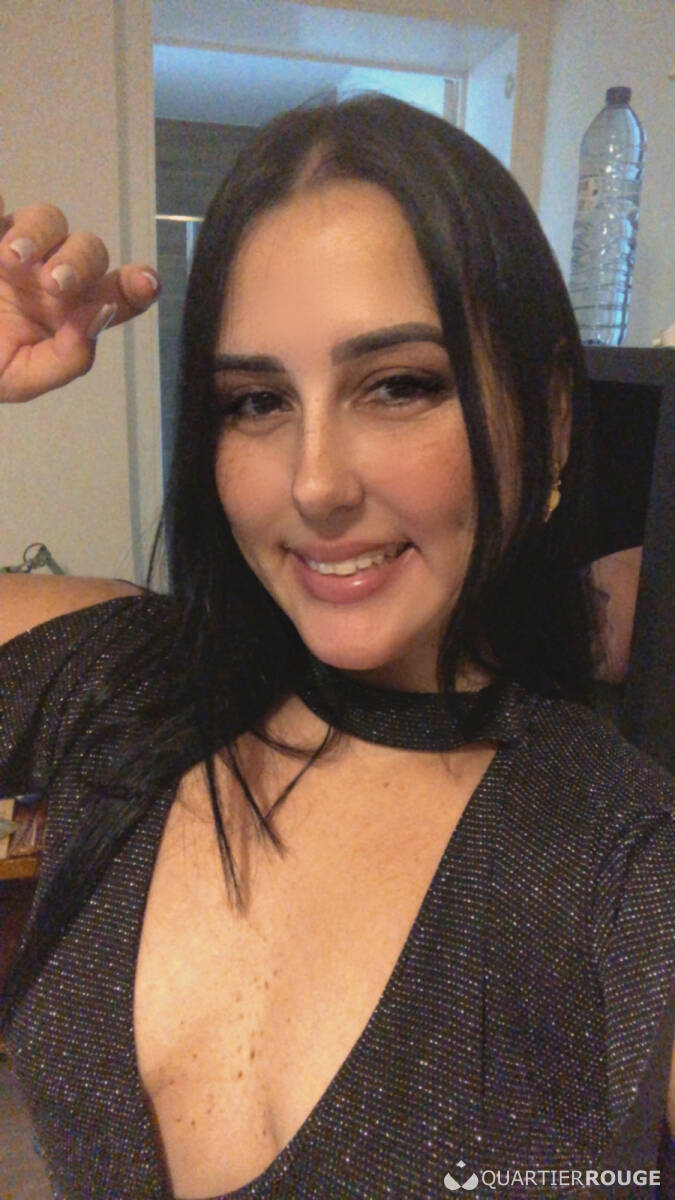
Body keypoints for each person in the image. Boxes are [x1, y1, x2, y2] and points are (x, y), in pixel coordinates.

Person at [0, 94, 673, 1200]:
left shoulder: (623, 860)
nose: (315, 484)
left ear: (549, 414)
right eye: (256, 400)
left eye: (399, 385)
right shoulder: (116, 684)